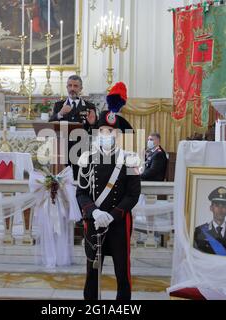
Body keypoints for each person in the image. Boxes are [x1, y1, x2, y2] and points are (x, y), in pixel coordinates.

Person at [76, 82, 141, 300]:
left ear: (118, 133)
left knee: (122, 271)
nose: (105, 133)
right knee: (92, 271)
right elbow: (81, 193)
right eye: (102, 130)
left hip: (119, 223)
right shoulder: (88, 159)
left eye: (110, 131)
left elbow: (133, 194)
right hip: (94, 222)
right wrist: (94, 212)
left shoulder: (130, 159)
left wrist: (112, 216)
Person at [49, 75, 97, 179]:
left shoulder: (89, 106)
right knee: (62, 179)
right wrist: (60, 113)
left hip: (81, 147)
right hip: (62, 147)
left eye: (75, 86)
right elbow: (50, 124)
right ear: (66, 87)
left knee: (80, 178)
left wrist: (92, 123)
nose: (72, 89)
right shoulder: (59, 105)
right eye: (70, 86)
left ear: (81, 89)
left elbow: (96, 131)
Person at [194, 187, 226, 258]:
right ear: (211, 208)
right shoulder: (199, 231)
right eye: (217, 206)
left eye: (223, 206)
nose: (220, 210)